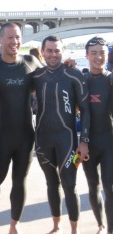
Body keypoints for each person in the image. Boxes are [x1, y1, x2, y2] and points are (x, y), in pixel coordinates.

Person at [0, 22, 43, 234]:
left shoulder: (31, 62)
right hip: (2, 134)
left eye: (17, 37)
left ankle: (14, 225)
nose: (14, 41)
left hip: (26, 135)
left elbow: (51, 82)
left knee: (19, 181)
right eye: (9, 37)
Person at [32, 35, 90, 234]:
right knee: (51, 183)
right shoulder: (36, 77)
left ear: (62, 52)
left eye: (57, 50)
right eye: (49, 50)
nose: (53, 54)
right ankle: (56, 226)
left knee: (69, 184)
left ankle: (74, 230)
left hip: (68, 141)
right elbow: (12, 94)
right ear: (42, 52)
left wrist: (84, 141)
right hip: (42, 141)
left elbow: (86, 110)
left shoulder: (73, 75)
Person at [83, 36, 113, 234]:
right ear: (86, 55)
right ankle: (100, 224)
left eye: (101, 53)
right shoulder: (80, 80)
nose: (98, 57)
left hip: (109, 140)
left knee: (110, 188)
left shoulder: (110, 79)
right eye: (93, 53)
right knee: (92, 185)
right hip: (88, 143)